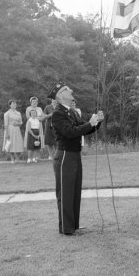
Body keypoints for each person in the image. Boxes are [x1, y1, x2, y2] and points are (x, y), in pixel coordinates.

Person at [48, 82, 104, 236]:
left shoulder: (72, 112)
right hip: (65, 156)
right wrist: (90, 123)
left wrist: (96, 122)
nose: (70, 90)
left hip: (74, 154)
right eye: (66, 90)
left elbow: (83, 129)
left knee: (74, 191)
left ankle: (74, 226)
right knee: (65, 193)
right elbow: (70, 132)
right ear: (60, 96)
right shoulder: (57, 114)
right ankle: (67, 229)